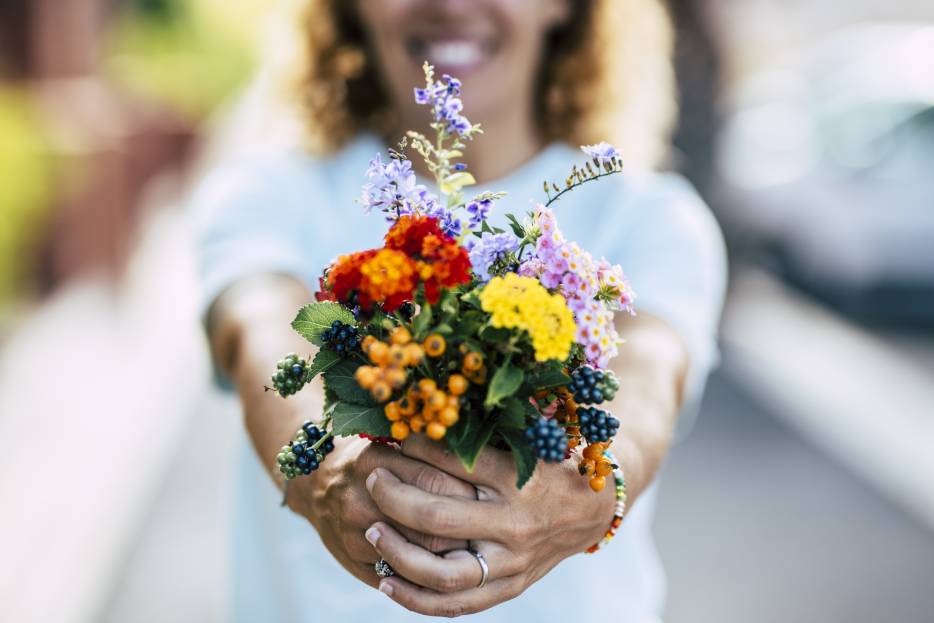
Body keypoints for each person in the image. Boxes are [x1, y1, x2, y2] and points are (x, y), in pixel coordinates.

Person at [193, 0, 726, 620]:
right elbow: (258, 325)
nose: (449, 5)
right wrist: (327, 468)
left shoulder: (651, 218)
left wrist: (597, 486)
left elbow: (646, 376)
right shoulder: (268, 192)